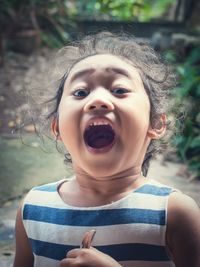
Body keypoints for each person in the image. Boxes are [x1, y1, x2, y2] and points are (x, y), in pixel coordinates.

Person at [13, 31, 200, 267]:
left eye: (119, 90)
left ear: (155, 124)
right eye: (81, 92)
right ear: (57, 127)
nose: (98, 100)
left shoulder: (174, 213)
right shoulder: (33, 208)